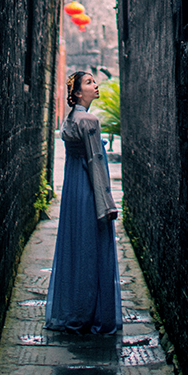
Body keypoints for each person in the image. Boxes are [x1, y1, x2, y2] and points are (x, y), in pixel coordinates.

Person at [45, 71, 122, 335]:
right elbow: (96, 162)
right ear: (77, 93)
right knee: (92, 250)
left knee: (76, 246)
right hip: (89, 190)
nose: (95, 85)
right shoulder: (89, 120)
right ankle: (91, 314)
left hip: (72, 190)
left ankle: (74, 310)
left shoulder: (69, 120)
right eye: (89, 83)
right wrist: (107, 203)